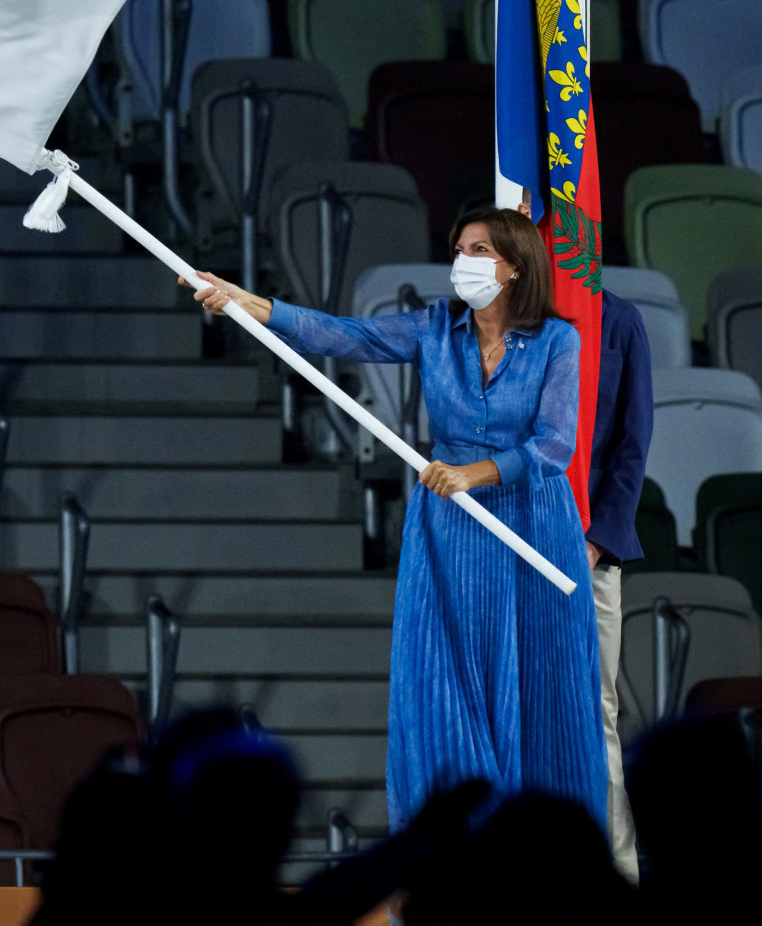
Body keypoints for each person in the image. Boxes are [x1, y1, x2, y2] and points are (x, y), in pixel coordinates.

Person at [188, 206, 609, 831]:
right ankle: (455, 848)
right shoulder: (436, 327)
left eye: (478, 251)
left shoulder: (557, 341)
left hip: (531, 526)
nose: (462, 262)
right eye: (459, 249)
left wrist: (477, 473)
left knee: (541, 690)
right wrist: (245, 302)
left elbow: (554, 446)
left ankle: (547, 858)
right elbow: (342, 335)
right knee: (445, 684)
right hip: (450, 530)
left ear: (516, 268)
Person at [585, 290, 651, 880]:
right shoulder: (505, 310)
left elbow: (633, 444)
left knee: (595, 710)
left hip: (592, 554)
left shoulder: (619, 320)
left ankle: (618, 877)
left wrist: (597, 540)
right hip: (507, 551)